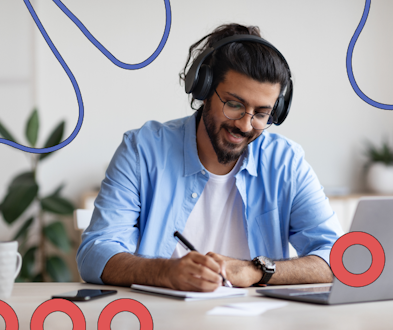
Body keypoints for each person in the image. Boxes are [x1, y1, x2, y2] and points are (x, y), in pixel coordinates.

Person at [77, 23, 343, 292]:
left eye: (261, 113)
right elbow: (94, 253)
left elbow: (338, 258)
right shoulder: (142, 150)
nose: (246, 125)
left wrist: (255, 270)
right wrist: (165, 272)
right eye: (234, 105)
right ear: (203, 90)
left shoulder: (286, 162)